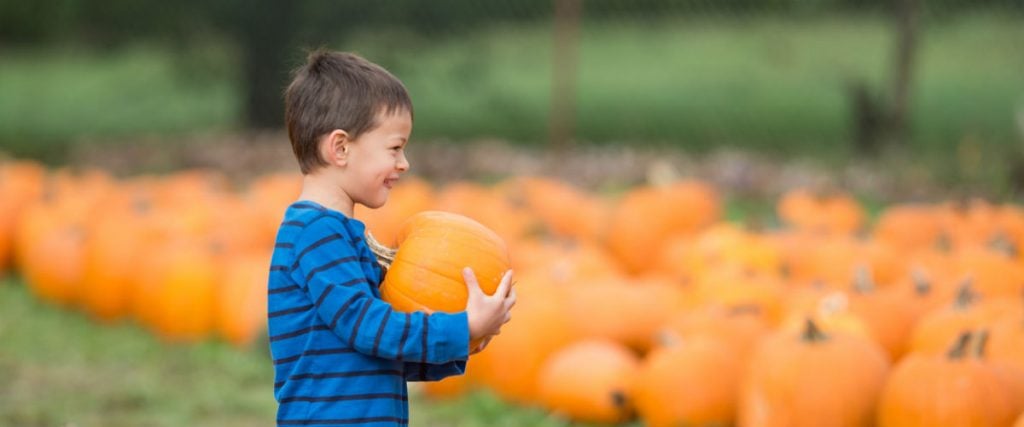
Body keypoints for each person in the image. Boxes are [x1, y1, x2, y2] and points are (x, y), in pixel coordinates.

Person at [267, 49, 516, 426]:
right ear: (340, 148)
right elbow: (368, 328)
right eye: (395, 148)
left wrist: (465, 341)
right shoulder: (315, 234)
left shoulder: (343, 236)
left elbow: (379, 354)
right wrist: (460, 328)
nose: (404, 163)